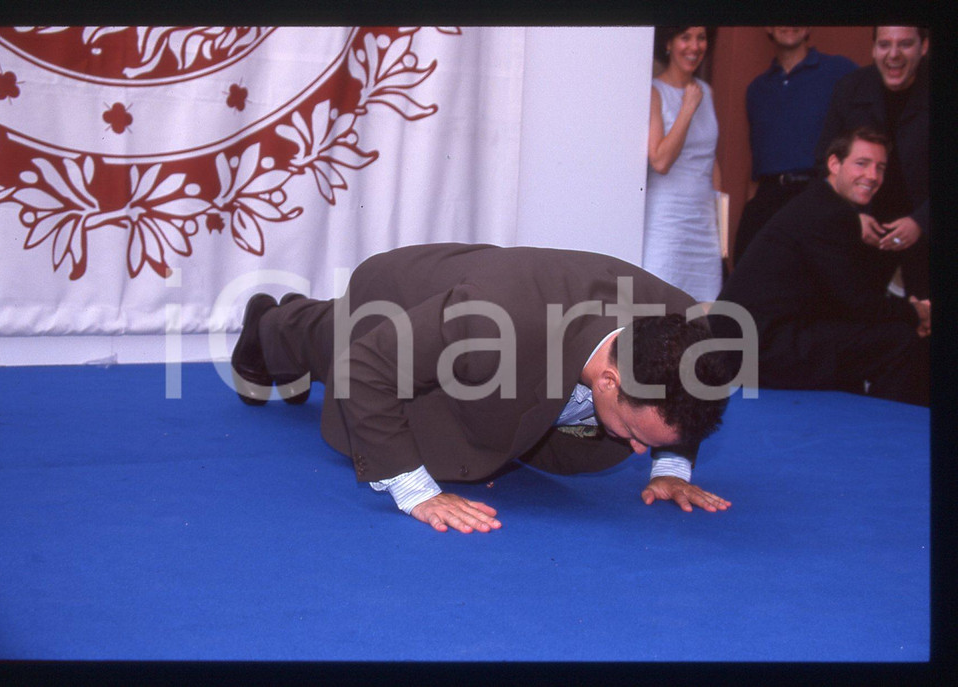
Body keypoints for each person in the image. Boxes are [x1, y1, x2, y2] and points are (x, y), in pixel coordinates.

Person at [231, 243, 733, 533]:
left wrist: (671, 465)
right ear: (609, 380)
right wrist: (416, 492)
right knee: (336, 344)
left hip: (497, 330)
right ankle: (267, 326)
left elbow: (686, 397)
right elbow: (365, 368)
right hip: (403, 297)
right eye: (636, 433)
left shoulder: (687, 333)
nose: (637, 450)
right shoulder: (493, 323)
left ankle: (293, 320)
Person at [712, 127, 930, 407]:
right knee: (900, 341)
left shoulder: (823, 204)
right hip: (755, 350)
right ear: (834, 164)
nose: (872, 176)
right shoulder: (828, 213)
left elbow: (844, 300)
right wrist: (916, 313)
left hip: (751, 341)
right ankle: (885, 426)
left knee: (863, 338)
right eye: (861, 164)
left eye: (880, 167)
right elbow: (859, 304)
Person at [814, 26, 929, 299]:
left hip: (927, 234)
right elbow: (825, 163)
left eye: (905, 44)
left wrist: (921, 222)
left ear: (924, 46)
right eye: (884, 44)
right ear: (873, 49)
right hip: (864, 232)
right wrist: (851, 218)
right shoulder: (850, 88)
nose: (893, 55)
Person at [732, 27, 857, 266]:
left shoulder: (839, 71)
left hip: (816, 196)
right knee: (749, 273)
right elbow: (756, 166)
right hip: (768, 200)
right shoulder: (757, 90)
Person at [643, 26, 723, 303]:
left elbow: (711, 159)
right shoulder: (655, 92)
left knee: (705, 308)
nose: (694, 46)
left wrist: (720, 221)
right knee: (660, 304)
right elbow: (660, 160)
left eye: (701, 38)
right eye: (685, 38)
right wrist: (687, 108)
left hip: (703, 223)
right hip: (668, 221)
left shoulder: (706, 92)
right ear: (668, 43)